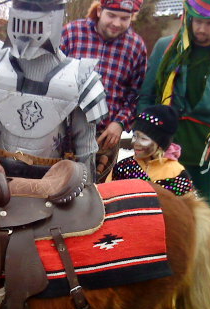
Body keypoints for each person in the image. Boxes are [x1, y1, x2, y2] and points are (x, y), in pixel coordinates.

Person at [63, 104, 195, 309]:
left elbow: (184, 217)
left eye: (143, 138)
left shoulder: (176, 174)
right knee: (102, 289)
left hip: (157, 246)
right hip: (123, 242)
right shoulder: (125, 167)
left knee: (155, 296)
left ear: (160, 142)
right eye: (134, 136)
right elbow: (107, 198)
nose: (135, 143)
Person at [0, 0, 109, 188]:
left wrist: (83, 193)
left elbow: (85, 149)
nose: (28, 27)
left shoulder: (80, 79)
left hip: (54, 187)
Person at [137, 0, 210, 209]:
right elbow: (146, 96)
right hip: (161, 152)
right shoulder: (167, 48)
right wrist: (145, 137)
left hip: (206, 158)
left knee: (200, 218)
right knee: (159, 215)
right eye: (197, 21)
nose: (201, 29)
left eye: (209, 23)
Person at [60, 0, 147, 182]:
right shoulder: (71, 33)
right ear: (100, 10)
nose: (117, 23)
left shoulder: (136, 46)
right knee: (60, 187)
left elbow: (136, 94)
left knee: (96, 191)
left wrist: (120, 123)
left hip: (105, 138)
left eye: (124, 18)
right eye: (111, 15)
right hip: (63, 133)